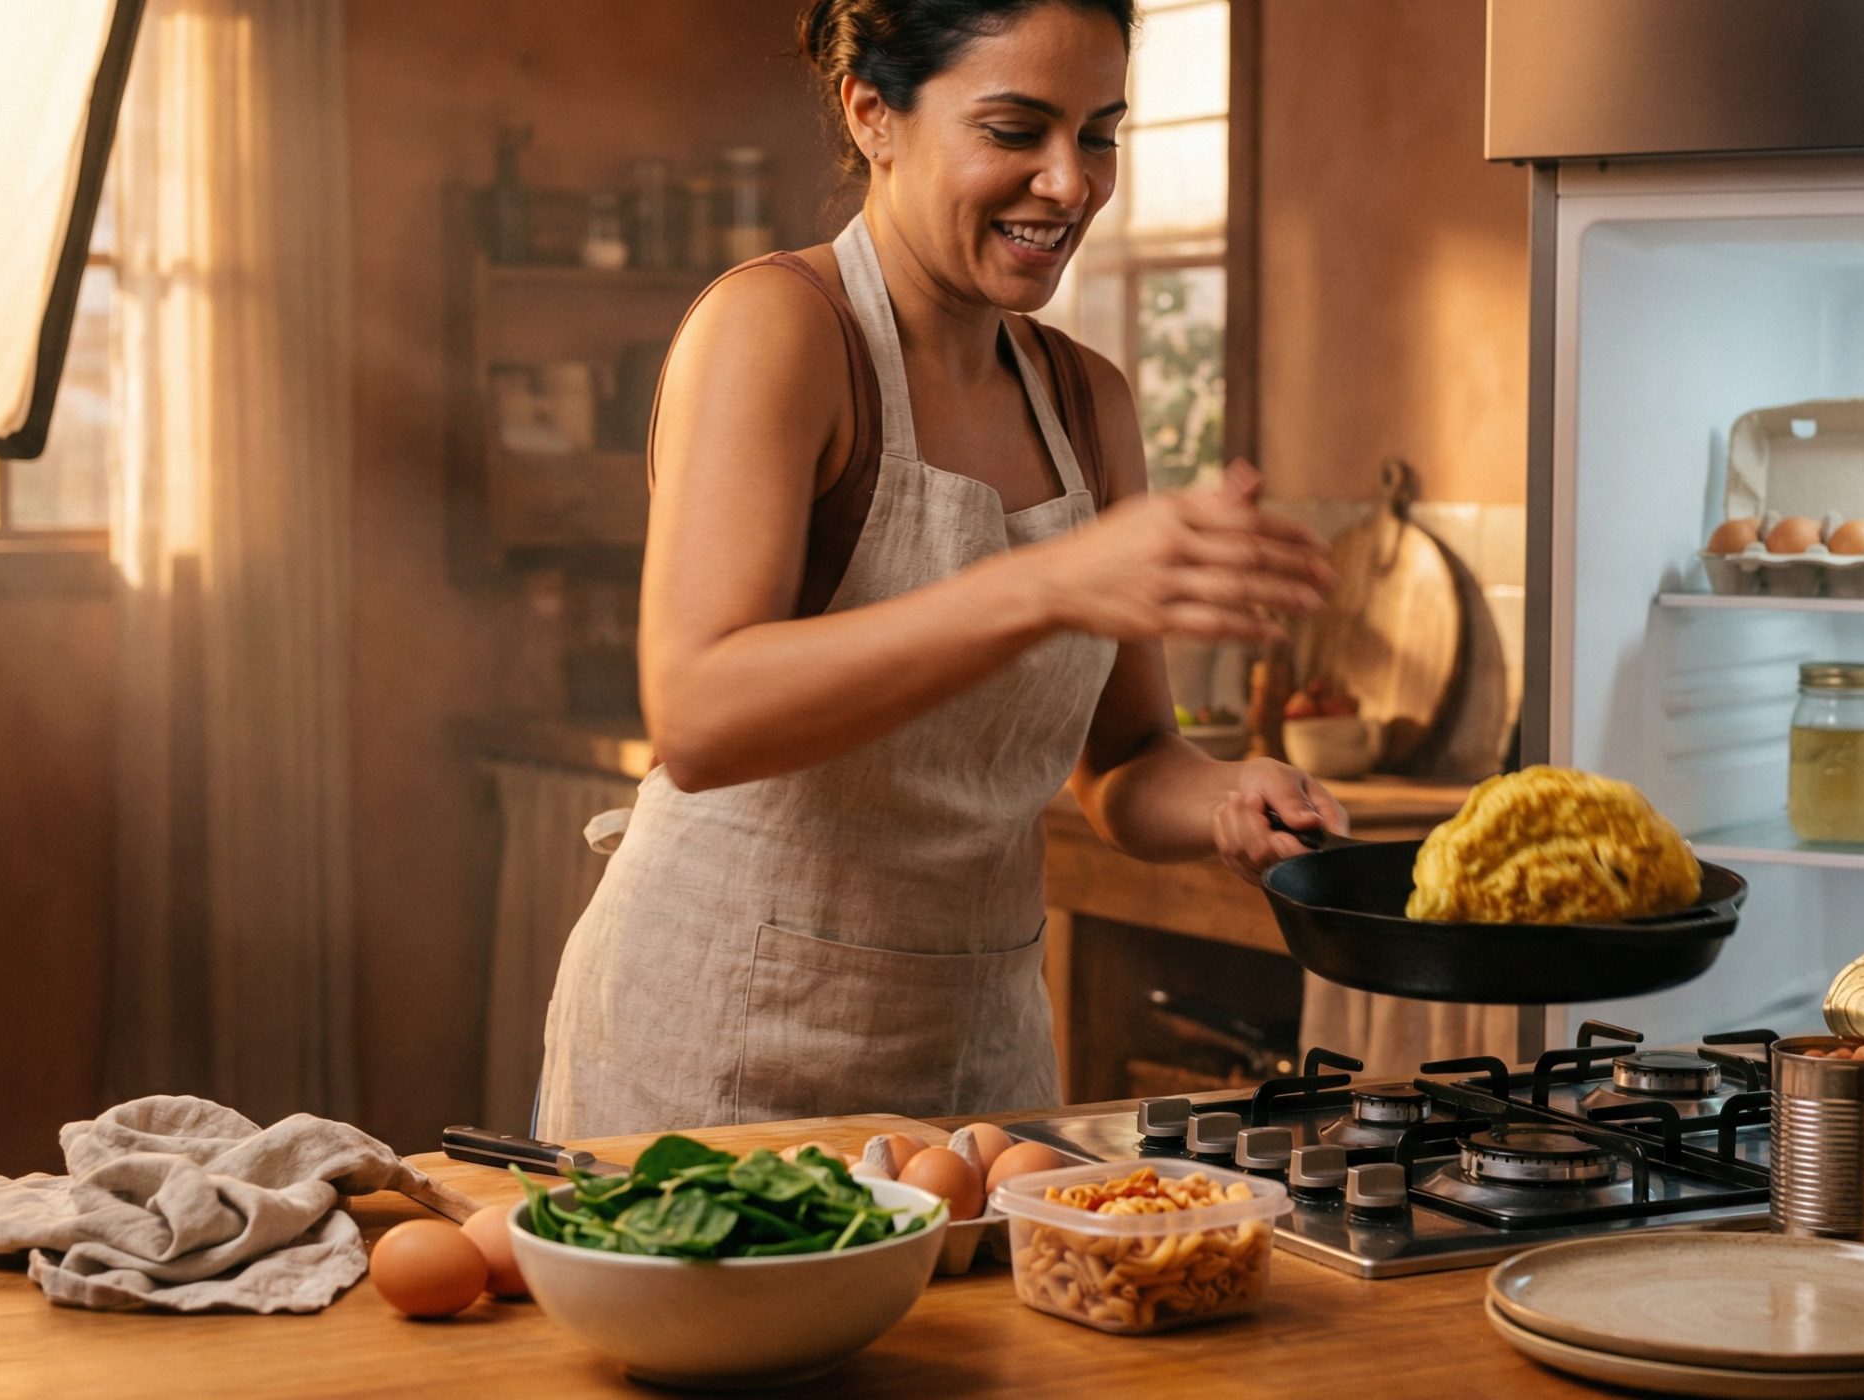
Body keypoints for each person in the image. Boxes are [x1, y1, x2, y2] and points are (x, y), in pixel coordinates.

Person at [536, 0, 1346, 1140]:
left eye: (1099, 134)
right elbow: (700, 716)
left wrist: (1232, 797)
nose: (1069, 183)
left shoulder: (1090, 401)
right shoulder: (777, 329)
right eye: (1014, 131)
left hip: (982, 1055)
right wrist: (1046, 585)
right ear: (874, 114)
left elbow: (1125, 762)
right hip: (721, 1044)